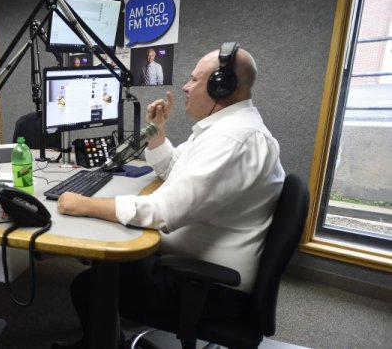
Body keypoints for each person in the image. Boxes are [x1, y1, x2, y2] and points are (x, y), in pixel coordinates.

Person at [53, 45, 285, 348]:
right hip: (199, 266)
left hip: (211, 287)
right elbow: (176, 170)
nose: (185, 87)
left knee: (90, 287)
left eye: (193, 80)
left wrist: (85, 204)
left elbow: (164, 212)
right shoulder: (225, 129)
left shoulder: (234, 139)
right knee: (111, 262)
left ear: (221, 85)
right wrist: (157, 131)